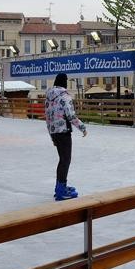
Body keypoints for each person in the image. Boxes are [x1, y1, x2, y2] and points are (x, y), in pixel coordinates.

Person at [46, 73, 87, 201]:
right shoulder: (65, 96)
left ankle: (60, 186)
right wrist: (82, 127)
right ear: (64, 82)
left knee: (62, 159)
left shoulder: (48, 97)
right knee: (65, 160)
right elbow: (70, 115)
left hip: (54, 131)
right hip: (63, 131)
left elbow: (47, 117)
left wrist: (51, 135)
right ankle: (61, 190)